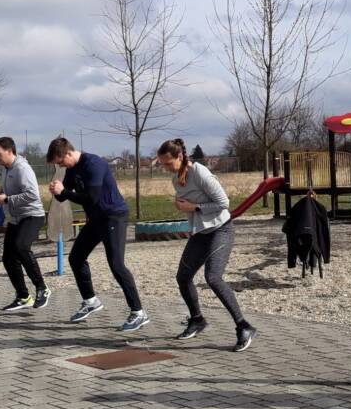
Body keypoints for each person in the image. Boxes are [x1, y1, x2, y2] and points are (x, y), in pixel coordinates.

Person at [156, 139, 256, 352]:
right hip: (201, 232)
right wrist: (183, 206)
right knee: (183, 276)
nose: (165, 168)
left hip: (221, 229)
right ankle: (197, 320)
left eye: (167, 163)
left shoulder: (200, 172)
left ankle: (244, 326)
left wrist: (195, 206)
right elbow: (189, 204)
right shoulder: (176, 178)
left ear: (180, 157)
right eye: (162, 164)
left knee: (213, 278)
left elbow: (224, 203)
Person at [46, 137, 146, 326]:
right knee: (75, 258)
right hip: (97, 219)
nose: (60, 166)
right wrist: (56, 191)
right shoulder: (71, 169)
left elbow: (91, 198)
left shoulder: (93, 163)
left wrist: (64, 192)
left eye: (60, 161)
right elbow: (64, 196)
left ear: (68, 153)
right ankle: (91, 301)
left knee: (116, 265)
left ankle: (138, 312)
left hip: (113, 216)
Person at [0, 136, 49, 312]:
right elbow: (6, 188)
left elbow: (33, 194)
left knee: (21, 246)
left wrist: (7, 199)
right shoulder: (6, 168)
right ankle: (23, 297)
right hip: (16, 218)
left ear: (10, 151)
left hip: (32, 215)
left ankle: (42, 288)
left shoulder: (22, 168)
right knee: (8, 258)